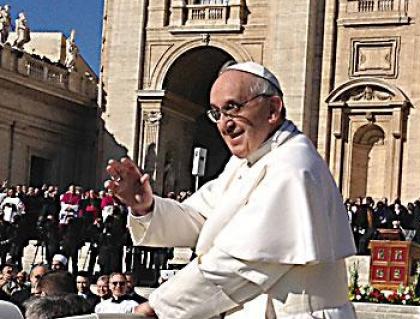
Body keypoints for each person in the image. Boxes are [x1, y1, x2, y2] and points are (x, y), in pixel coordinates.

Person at [105, 61, 357, 318]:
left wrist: (159, 307)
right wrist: (146, 207)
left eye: (233, 108)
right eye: (217, 113)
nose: (225, 124)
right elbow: (202, 219)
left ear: (272, 109)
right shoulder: (245, 162)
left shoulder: (293, 165)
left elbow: (239, 265)